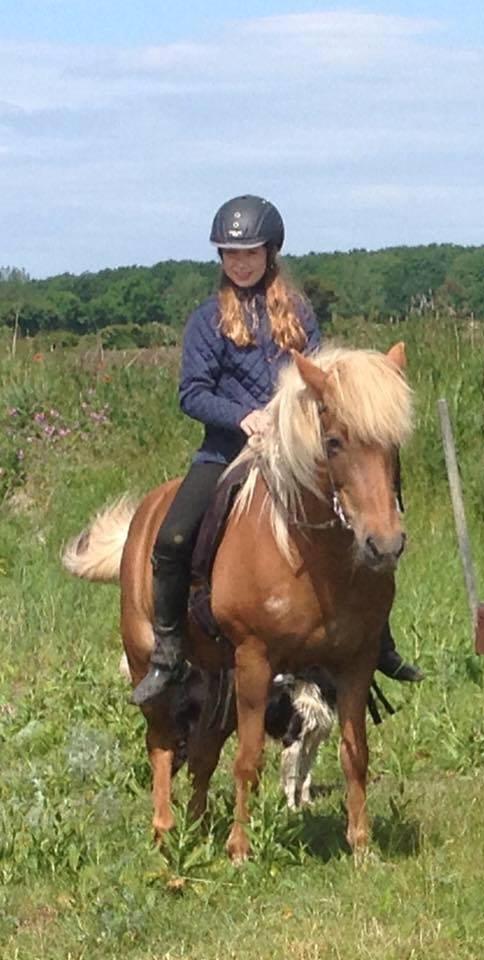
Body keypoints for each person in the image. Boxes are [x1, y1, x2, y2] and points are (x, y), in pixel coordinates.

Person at [131, 195, 423, 706]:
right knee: (174, 539)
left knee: (367, 520)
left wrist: (289, 425)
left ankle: (377, 640)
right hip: (226, 451)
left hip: (293, 451)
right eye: (230, 254)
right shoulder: (206, 321)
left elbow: (319, 381)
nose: (240, 263)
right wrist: (243, 418)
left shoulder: (300, 313)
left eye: (250, 253)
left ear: (271, 253)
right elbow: (192, 393)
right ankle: (169, 651)